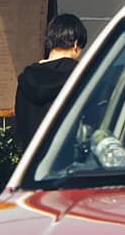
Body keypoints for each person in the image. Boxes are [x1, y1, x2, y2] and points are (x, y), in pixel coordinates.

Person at [11, 14, 87, 151]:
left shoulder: (26, 78)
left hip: (32, 164)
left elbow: (21, 125)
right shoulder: (79, 75)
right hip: (65, 162)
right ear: (76, 44)